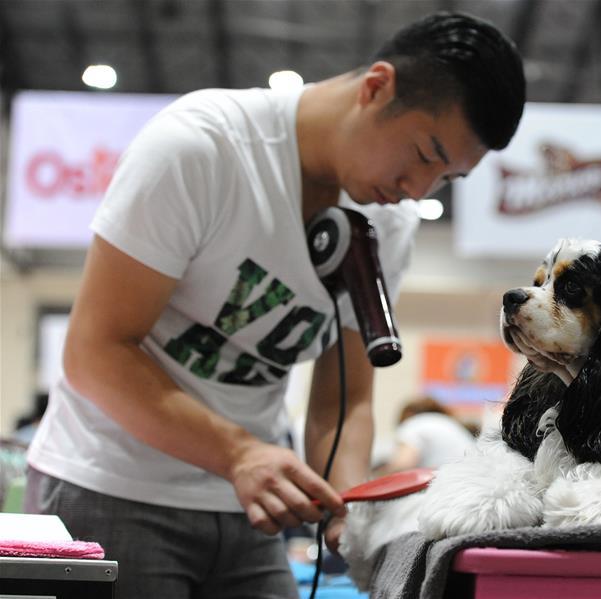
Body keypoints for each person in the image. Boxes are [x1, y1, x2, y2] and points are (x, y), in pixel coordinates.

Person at [24, 11, 525, 599]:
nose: (418, 188)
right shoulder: (202, 148)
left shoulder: (387, 222)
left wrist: (347, 508)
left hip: (250, 507)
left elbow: (345, 399)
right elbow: (95, 351)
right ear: (376, 87)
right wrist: (237, 452)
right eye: (422, 153)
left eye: (447, 177)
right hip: (110, 489)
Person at [375, 396, 477, 476]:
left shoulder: (414, 424)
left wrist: (377, 478)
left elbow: (402, 465)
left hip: (451, 490)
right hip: (474, 484)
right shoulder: (448, 423)